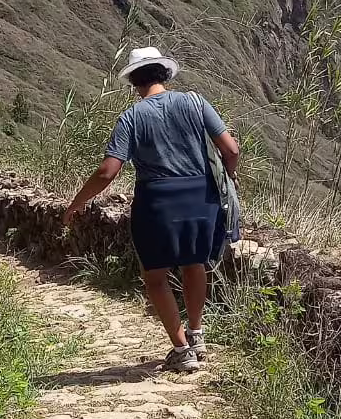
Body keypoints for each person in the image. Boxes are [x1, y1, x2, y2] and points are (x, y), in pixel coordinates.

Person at [63, 46, 240, 373]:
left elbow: (107, 171)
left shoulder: (132, 117)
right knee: (194, 263)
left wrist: (77, 202)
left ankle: (181, 349)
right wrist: (226, 177)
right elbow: (231, 149)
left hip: (156, 201)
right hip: (201, 196)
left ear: (134, 81)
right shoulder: (195, 103)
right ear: (164, 74)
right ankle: (196, 335)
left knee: (155, 277)